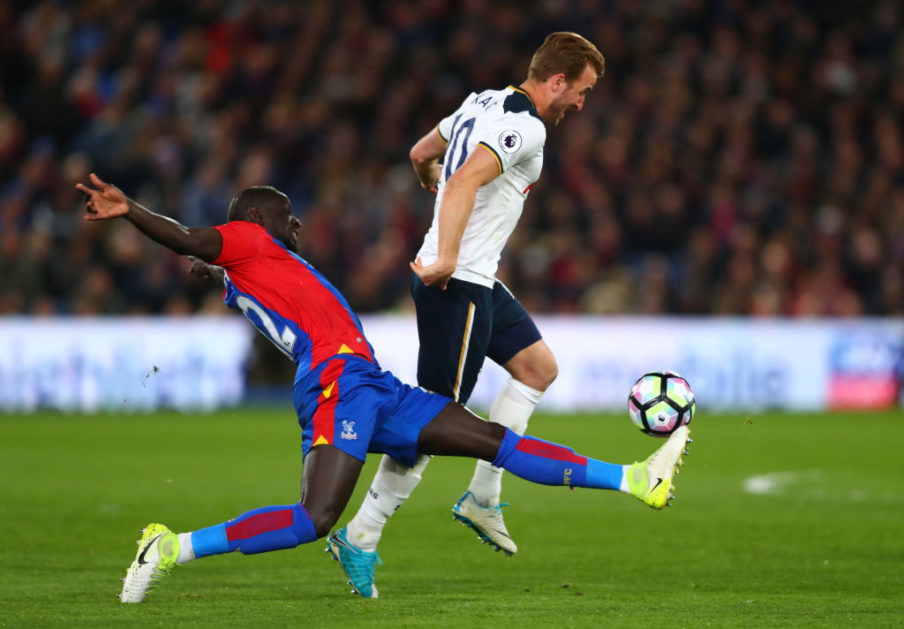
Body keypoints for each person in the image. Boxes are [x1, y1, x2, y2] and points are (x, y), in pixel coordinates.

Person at [75, 174, 689, 603]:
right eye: (286, 213)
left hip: (370, 382)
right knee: (313, 519)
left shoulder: (254, 266)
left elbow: (221, 267)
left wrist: (211, 268)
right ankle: (169, 548)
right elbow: (189, 237)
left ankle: (637, 480)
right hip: (336, 385)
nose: (297, 222)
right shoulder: (249, 238)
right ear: (256, 219)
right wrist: (131, 212)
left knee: (490, 438)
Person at [335, 32, 606, 592]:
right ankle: (362, 533)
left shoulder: (479, 100)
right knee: (434, 419)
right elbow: (460, 179)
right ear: (556, 81)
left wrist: (428, 190)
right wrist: (447, 257)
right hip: (455, 282)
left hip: (475, 280)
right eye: (580, 92)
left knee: (537, 369)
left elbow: (420, 154)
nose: (581, 104)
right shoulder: (525, 126)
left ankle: (483, 496)